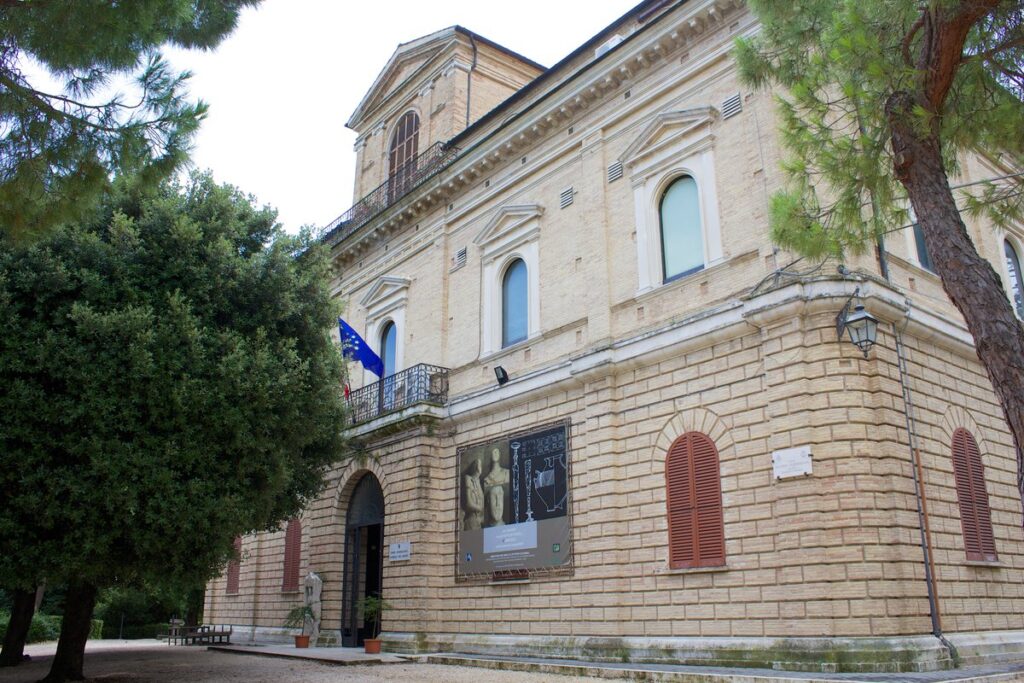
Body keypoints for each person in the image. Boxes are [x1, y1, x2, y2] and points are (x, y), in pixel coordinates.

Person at [463, 458, 484, 530]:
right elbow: (469, 504)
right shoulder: (468, 478)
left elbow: (482, 500)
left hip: (478, 520)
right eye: (479, 465)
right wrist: (479, 508)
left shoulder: (478, 482)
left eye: (481, 465)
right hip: (471, 519)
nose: (480, 468)